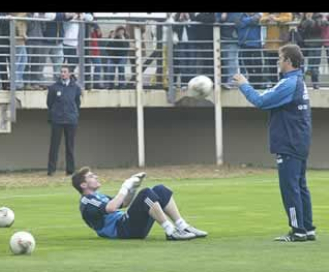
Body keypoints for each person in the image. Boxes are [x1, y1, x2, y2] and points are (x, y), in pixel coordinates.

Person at [233, 44, 316, 242]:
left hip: (289, 142)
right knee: (301, 186)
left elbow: (261, 101)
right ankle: (308, 228)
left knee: (290, 188)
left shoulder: (288, 83)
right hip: (300, 140)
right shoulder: (297, 81)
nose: (277, 62)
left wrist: (244, 84)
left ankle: (298, 231)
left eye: (279, 58)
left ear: (288, 61)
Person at [71, 167, 208, 241]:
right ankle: (171, 231)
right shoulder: (87, 200)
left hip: (126, 226)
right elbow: (112, 208)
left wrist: (133, 187)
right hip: (122, 230)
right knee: (146, 194)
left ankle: (183, 226)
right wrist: (125, 186)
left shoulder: (97, 196)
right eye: (91, 176)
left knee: (159, 189)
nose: (95, 177)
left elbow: (123, 203)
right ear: (83, 185)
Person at [47, 65, 82, 176]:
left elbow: (77, 102)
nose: (62, 74)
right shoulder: (54, 87)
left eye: (65, 72)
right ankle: (51, 169)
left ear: (69, 74)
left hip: (71, 120)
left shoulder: (75, 88)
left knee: (70, 146)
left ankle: (70, 170)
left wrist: (74, 115)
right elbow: (49, 103)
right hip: (57, 120)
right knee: (54, 145)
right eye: (61, 72)